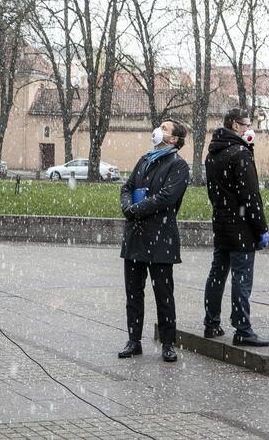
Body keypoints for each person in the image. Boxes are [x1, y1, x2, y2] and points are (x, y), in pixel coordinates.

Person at [118, 119, 189, 362]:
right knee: (133, 293)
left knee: (164, 294)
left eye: (165, 128)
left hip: (160, 239)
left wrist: (136, 210)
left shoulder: (178, 166)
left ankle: (168, 343)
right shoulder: (145, 159)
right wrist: (128, 206)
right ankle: (133, 340)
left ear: (174, 140)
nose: (159, 130)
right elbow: (126, 187)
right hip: (135, 237)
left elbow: (166, 197)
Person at [202, 108, 269, 346]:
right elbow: (250, 196)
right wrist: (261, 228)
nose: (249, 129)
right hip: (241, 227)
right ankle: (242, 328)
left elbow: (214, 193)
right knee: (242, 278)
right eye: (246, 124)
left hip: (222, 223)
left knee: (217, 274)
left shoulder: (213, 153)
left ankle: (211, 323)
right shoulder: (240, 153)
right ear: (234, 125)